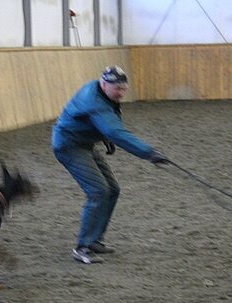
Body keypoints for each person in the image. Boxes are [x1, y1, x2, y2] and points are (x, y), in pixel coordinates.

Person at [52, 65, 167, 264]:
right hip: (69, 146)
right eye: (118, 89)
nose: (121, 93)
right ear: (104, 84)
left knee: (112, 189)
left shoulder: (100, 91)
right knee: (98, 191)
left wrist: (104, 138)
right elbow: (115, 131)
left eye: (124, 89)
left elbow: (98, 124)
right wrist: (149, 153)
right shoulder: (94, 101)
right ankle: (82, 247)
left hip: (84, 144)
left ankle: (95, 240)